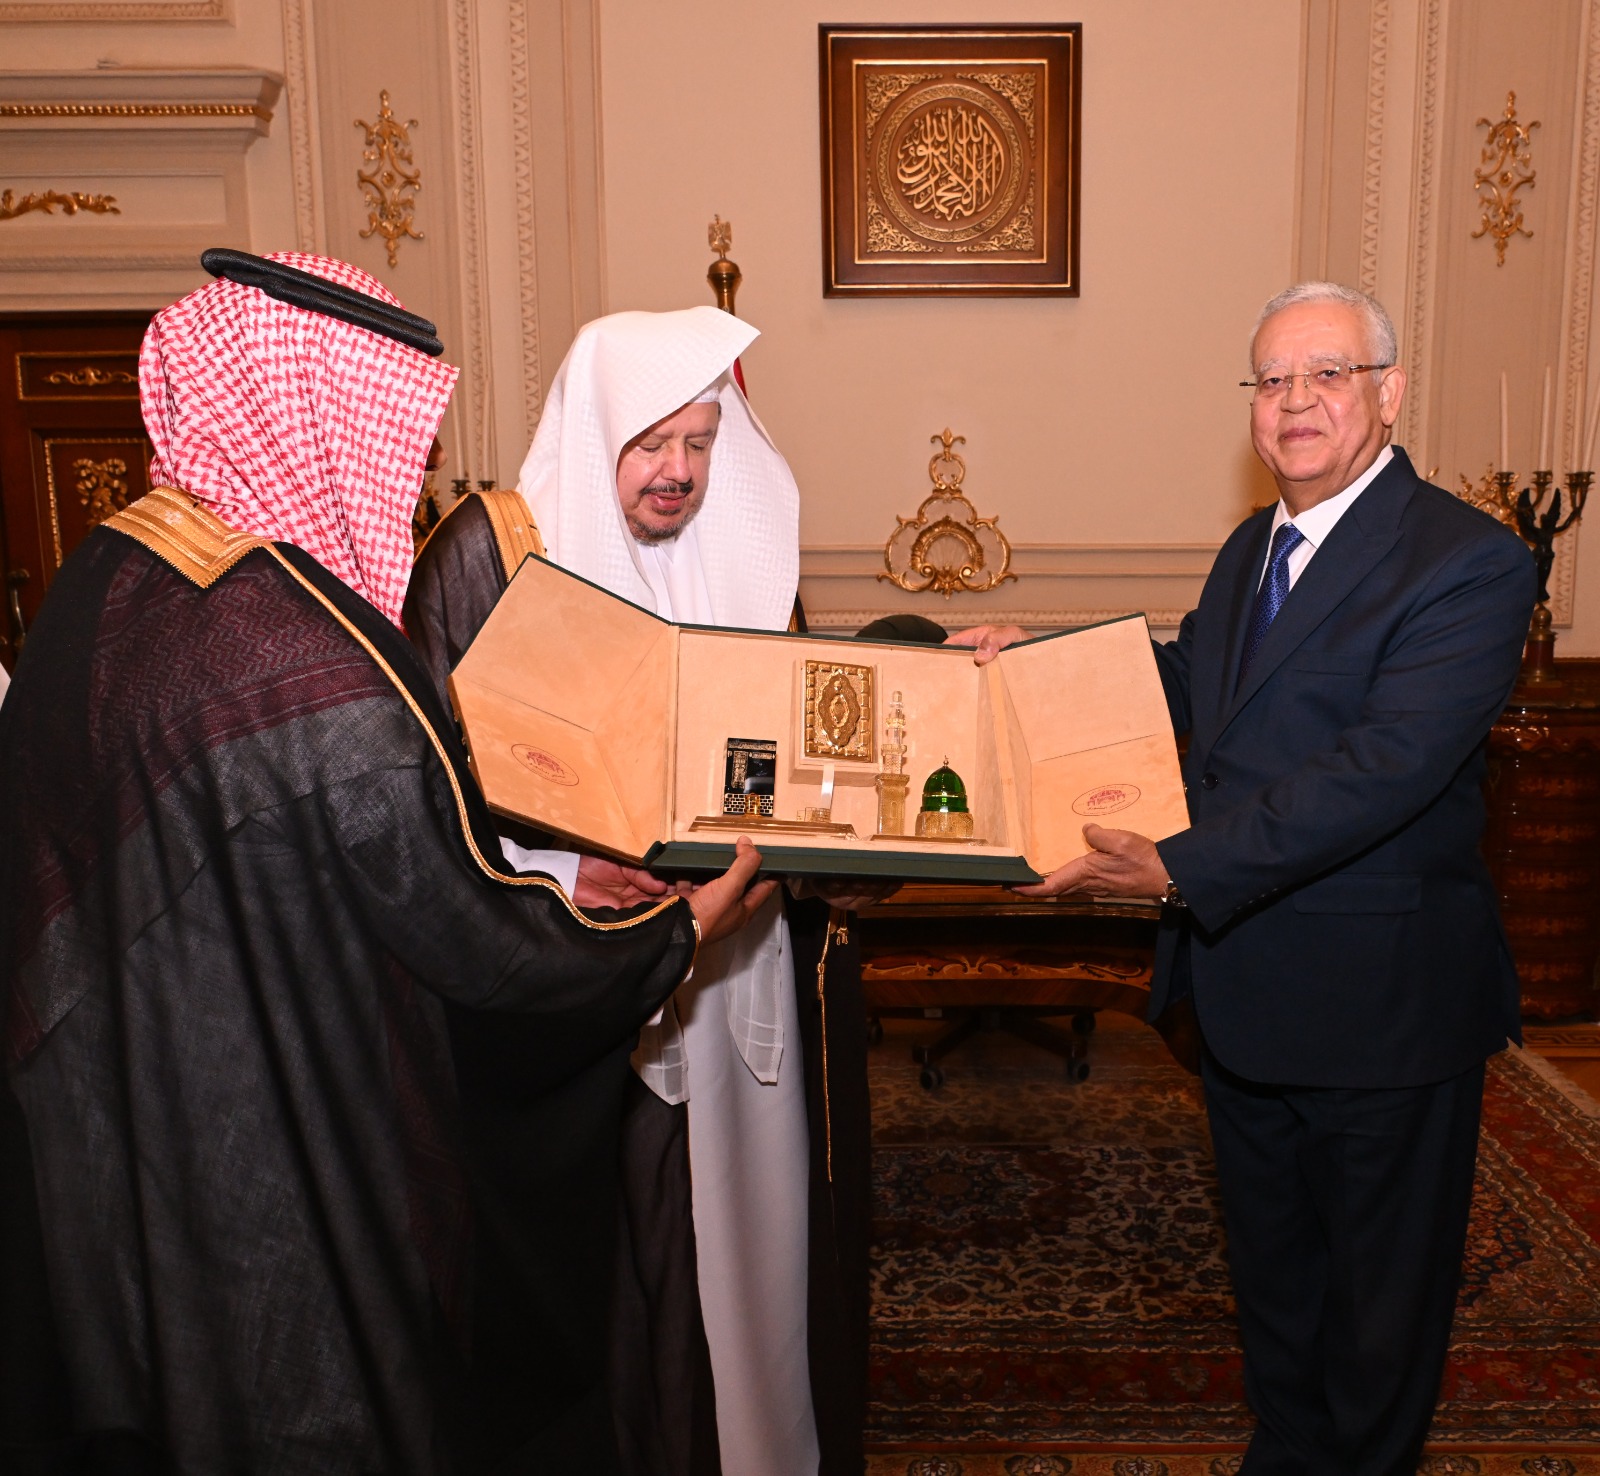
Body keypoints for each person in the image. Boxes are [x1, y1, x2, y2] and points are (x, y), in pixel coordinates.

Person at [0, 252, 772, 1475]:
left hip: (116, 1132)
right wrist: (672, 936)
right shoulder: (309, 670)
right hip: (270, 1158)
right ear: (310, 417)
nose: (413, 474)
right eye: (400, 441)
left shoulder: (114, 575)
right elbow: (475, 947)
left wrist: (559, 882)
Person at [957, 282, 1536, 1476]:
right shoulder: (1250, 548)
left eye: (1326, 374)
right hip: (1242, 990)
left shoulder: (1468, 561)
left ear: (1389, 392)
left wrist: (1176, 867)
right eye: (1272, 380)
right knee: (1276, 1282)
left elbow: (1382, 770)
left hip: (1380, 1008)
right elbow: (1190, 685)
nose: (1294, 402)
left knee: (1377, 1312)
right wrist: (1038, 665)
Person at [404, 306, 873, 1476]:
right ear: (595, 432)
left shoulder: (742, 558)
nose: (679, 473)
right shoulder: (487, 557)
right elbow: (425, 795)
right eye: (651, 443)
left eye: (701, 444)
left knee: (744, 1243)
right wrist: (570, 872)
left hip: (735, 957)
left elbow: (793, 750)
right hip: (567, 973)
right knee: (615, 1256)